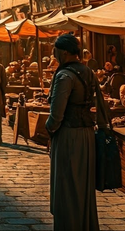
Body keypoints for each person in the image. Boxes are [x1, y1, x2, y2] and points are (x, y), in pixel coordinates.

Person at [45, 33, 107, 231]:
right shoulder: (87, 71)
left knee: (67, 184)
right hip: (86, 134)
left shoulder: (64, 76)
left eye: (55, 50)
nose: (53, 53)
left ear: (63, 52)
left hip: (69, 135)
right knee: (82, 185)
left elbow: (56, 114)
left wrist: (49, 129)